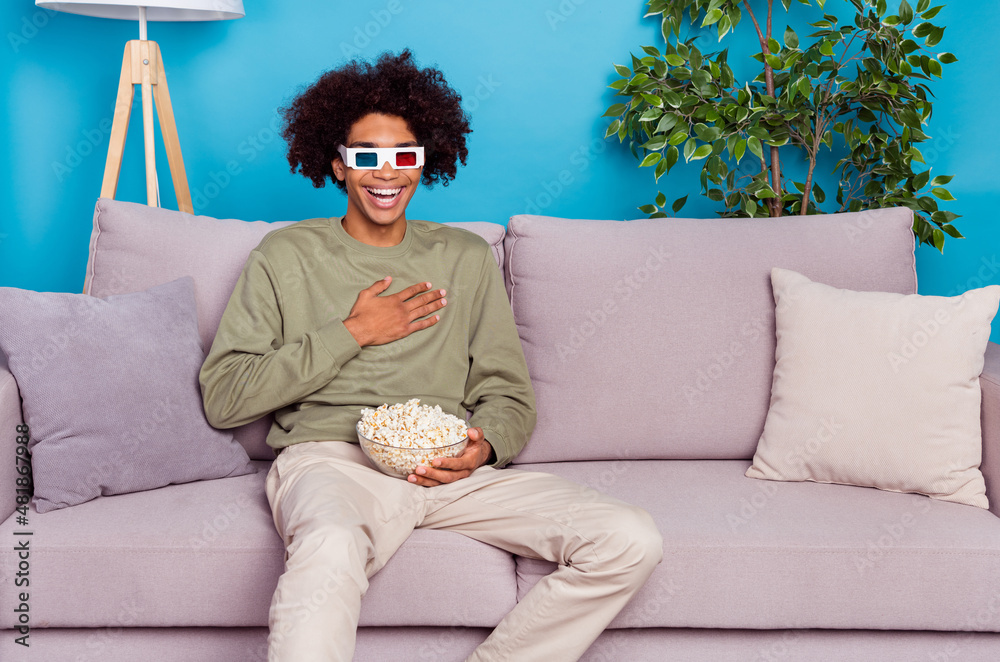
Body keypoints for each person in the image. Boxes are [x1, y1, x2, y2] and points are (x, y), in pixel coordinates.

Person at [198, 49, 663, 662]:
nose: (385, 174)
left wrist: (484, 447)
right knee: (331, 545)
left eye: (403, 156)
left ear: (426, 162)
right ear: (338, 165)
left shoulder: (465, 258)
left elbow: (508, 391)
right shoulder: (284, 255)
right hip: (333, 464)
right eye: (366, 156)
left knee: (629, 538)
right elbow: (226, 397)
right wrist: (352, 331)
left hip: (448, 470)